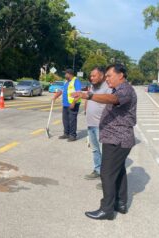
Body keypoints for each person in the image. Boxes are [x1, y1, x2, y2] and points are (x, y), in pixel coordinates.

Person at [72, 64, 137, 220]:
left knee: (106, 173)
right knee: (119, 171)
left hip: (117, 139)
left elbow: (113, 99)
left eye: (109, 76)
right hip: (116, 138)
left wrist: (88, 95)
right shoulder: (119, 89)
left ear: (120, 75)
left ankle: (106, 209)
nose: (107, 79)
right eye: (106, 76)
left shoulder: (125, 90)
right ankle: (120, 203)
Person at [84, 67, 112, 180]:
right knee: (95, 149)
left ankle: (106, 177)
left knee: (106, 152)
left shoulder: (108, 87)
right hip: (91, 124)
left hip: (102, 125)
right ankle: (97, 170)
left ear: (102, 76)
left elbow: (110, 101)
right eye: (91, 76)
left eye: (94, 76)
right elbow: (88, 98)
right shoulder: (92, 86)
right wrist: (86, 110)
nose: (91, 78)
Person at [52, 69, 82, 141]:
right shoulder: (66, 82)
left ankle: (73, 136)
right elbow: (61, 90)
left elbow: (79, 94)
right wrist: (55, 97)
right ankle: (66, 133)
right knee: (65, 120)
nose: (64, 75)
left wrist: (73, 103)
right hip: (65, 104)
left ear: (70, 74)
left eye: (65, 74)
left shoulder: (76, 81)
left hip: (72, 104)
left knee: (72, 120)